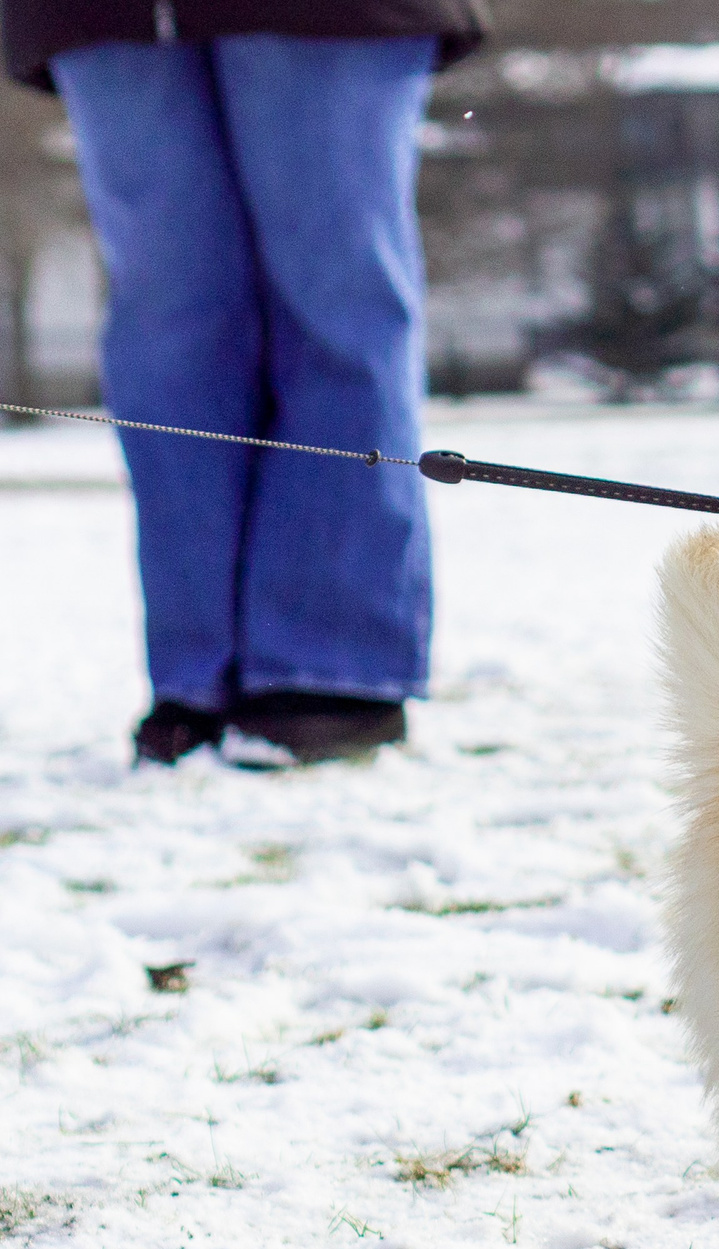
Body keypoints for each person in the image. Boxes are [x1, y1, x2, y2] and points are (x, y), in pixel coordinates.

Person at [1, 1, 490, 764]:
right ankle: (199, 668)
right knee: (166, 327)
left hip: (334, 16)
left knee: (336, 301)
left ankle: (331, 662)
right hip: (100, 13)